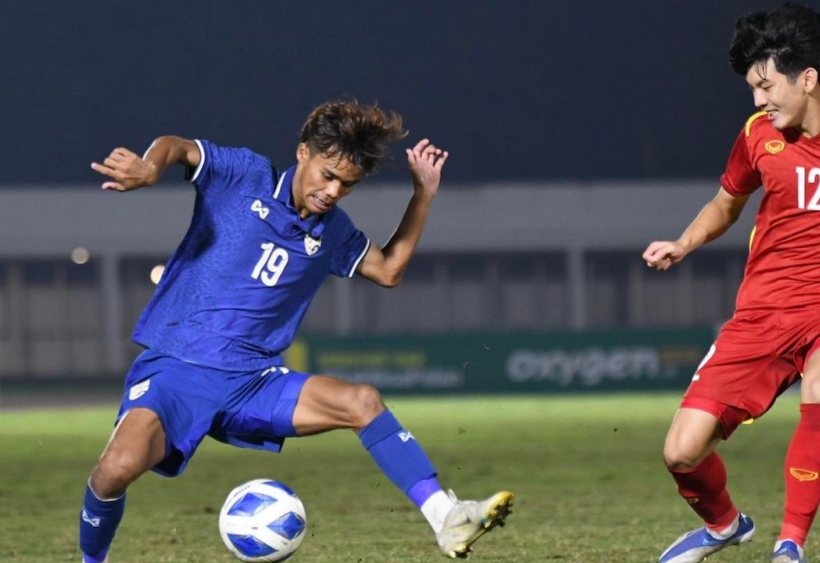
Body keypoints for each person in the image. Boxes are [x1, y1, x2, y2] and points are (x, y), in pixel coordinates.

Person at [80, 99, 513, 563]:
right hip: (178, 369)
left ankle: (446, 517)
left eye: (347, 184)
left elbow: (388, 270)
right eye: (328, 175)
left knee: (362, 402)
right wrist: (149, 168)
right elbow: (177, 147)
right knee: (114, 471)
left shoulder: (335, 231)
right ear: (303, 151)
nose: (333, 191)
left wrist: (422, 194)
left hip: (252, 383)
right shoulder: (244, 176)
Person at [642, 4, 820, 563]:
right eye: (753, 89)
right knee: (681, 453)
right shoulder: (757, 135)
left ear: (806, 78)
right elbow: (726, 203)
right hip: (761, 313)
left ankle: (790, 546)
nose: (759, 100)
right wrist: (684, 242)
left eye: (766, 86)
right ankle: (724, 526)